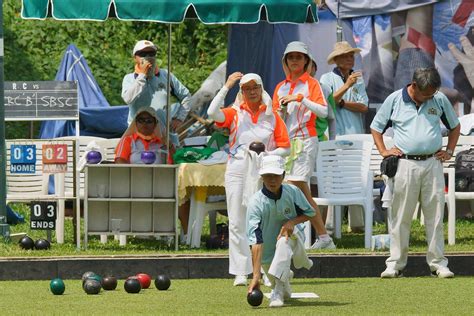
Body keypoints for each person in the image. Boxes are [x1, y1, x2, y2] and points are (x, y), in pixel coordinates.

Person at [370, 67, 460, 278]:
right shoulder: (394, 100)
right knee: (400, 216)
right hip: (405, 164)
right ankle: (395, 264)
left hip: (432, 163)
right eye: (426, 93)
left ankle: (438, 264)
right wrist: (384, 151)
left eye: (432, 92)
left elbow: (454, 127)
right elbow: (376, 127)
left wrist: (449, 151)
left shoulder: (438, 99)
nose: (430, 96)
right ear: (413, 85)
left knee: (435, 216)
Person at [207, 72, 291, 286]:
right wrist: (226, 86)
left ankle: (265, 269)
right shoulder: (235, 113)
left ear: (261, 89)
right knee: (236, 220)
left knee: (263, 222)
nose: (252, 92)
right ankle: (240, 271)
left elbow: (286, 147)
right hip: (237, 169)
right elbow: (211, 112)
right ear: (242, 92)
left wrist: (267, 155)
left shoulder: (272, 115)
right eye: (247, 89)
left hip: (264, 171)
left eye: (255, 88)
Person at [273, 41, 335, 250]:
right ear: (285, 61)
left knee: (296, 185)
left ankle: (307, 235)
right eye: (291, 57)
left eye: (299, 57)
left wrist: (301, 99)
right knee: (297, 191)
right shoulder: (280, 87)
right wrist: (282, 110)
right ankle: (320, 236)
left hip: (307, 140)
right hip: (285, 143)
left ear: (306, 61)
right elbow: (276, 119)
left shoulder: (312, 84)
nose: (294, 61)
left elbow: (324, 112)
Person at [247, 155, 314, 308]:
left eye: (276, 176)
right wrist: (256, 276)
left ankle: (277, 290)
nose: (272, 180)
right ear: (262, 177)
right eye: (268, 176)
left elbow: (310, 213)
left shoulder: (293, 192)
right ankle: (282, 283)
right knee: (283, 288)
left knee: (283, 240)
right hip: (267, 251)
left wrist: (292, 222)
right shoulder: (255, 203)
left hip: (293, 238)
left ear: (283, 175)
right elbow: (255, 240)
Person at [320, 41, 369, 232]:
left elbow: (364, 106)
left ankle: (358, 225)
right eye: (346, 55)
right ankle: (331, 226)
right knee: (333, 180)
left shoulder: (358, 79)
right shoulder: (326, 78)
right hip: (335, 136)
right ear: (337, 60)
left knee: (358, 178)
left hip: (356, 135)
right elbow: (326, 103)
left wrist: (342, 103)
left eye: (352, 55)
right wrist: (347, 87)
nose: (350, 58)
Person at [122, 40, 192, 129]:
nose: (147, 57)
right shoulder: (129, 78)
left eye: (151, 53)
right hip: (137, 134)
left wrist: (179, 119)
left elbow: (186, 96)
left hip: (163, 134)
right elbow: (127, 99)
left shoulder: (166, 75)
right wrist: (142, 76)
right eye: (143, 54)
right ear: (135, 58)